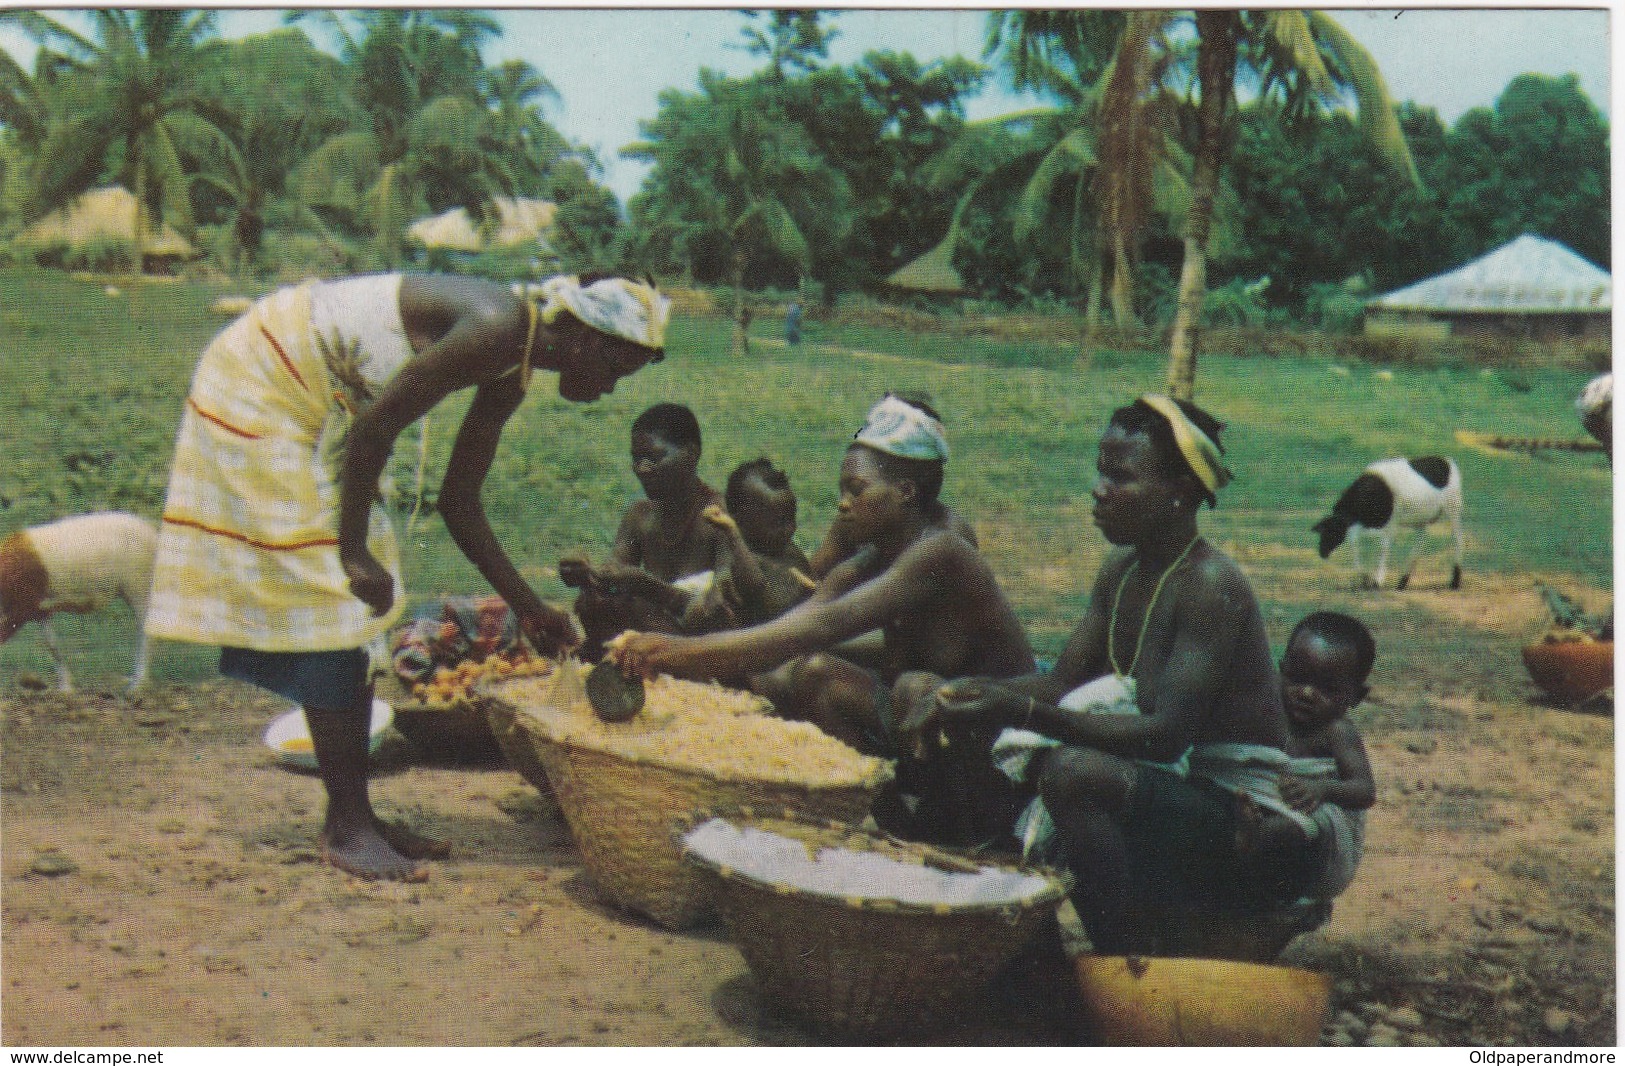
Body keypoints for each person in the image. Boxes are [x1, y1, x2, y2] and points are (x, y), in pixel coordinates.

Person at [145, 272, 669, 881]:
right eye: (615, 372)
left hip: (321, 397)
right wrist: (350, 549)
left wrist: (528, 608)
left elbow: (459, 500)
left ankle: (355, 813)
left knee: (358, 607)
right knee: (338, 595)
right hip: (265, 377)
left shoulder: (514, 360)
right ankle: (346, 826)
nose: (607, 391)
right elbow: (375, 429)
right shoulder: (500, 329)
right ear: (584, 338)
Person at [921, 395, 1298, 953]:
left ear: (1181, 492)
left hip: (1243, 816)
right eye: (1101, 470)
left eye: (1119, 476)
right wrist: (958, 692)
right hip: (1174, 790)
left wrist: (1019, 710)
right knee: (967, 725)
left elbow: (1165, 733)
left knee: (1072, 773)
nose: (1099, 488)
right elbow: (1061, 685)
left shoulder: (1210, 585)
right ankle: (1029, 952)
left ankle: (1123, 963)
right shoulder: (1122, 569)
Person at [613, 393, 1034, 768]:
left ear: (905, 492)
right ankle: (877, 794)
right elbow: (798, 621)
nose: (842, 504)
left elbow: (822, 627)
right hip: (926, 702)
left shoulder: (942, 549)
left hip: (996, 723)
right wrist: (721, 658)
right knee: (790, 673)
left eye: (856, 490)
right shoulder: (875, 550)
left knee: (842, 675)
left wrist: (677, 651)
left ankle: (898, 803)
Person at [560, 403, 735, 660]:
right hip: (654, 638)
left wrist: (646, 586)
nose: (642, 468)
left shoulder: (720, 517)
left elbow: (720, 614)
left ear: (691, 454)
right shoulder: (640, 516)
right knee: (592, 602)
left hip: (706, 648)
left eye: (654, 458)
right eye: (636, 459)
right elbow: (612, 584)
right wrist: (588, 577)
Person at [1231, 611, 1375, 903]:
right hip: (1273, 802)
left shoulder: (1337, 732)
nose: (1307, 693)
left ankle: (1255, 837)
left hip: (1322, 831)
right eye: (1296, 678)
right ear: (1280, 670)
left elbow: (1364, 790)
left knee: (1289, 829)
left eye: (1328, 688)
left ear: (1356, 697)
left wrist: (1323, 789)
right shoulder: (1272, 711)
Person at [704, 457, 816, 626]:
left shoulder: (787, 550)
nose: (789, 529)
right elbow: (756, 587)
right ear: (742, 522)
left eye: (791, 518)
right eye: (777, 523)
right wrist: (732, 532)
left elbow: (808, 582)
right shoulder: (742, 560)